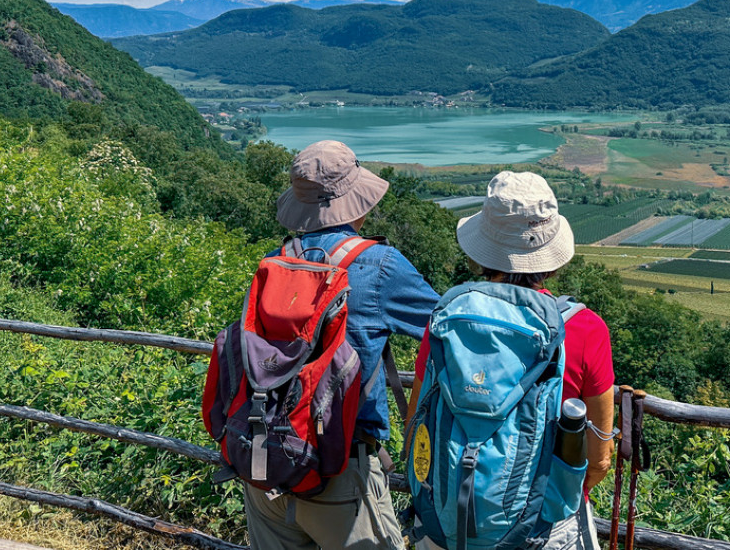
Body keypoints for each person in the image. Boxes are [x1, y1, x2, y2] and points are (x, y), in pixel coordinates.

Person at [244, 140, 440, 550]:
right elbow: (447, 329)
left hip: (265, 463)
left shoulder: (274, 261)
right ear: (358, 204)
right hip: (340, 473)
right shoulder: (381, 264)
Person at [408, 170, 615, 550]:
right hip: (543, 529)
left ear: (482, 249)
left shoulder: (448, 320)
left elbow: (416, 422)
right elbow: (599, 460)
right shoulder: (585, 329)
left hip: (446, 523)